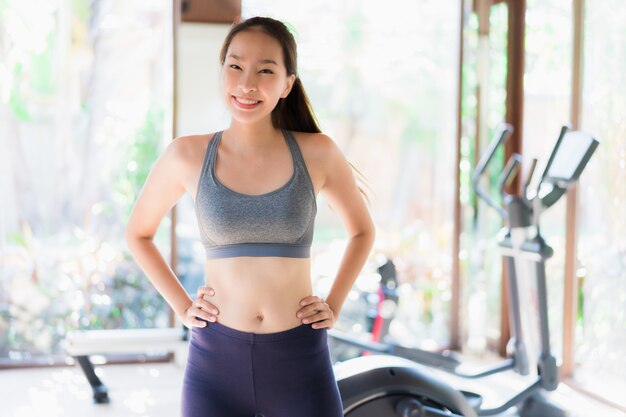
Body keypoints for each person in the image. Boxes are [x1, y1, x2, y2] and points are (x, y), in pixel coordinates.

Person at [126, 15, 375, 417]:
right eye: (235, 66)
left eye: (266, 71)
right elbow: (138, 233)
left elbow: (362, 231)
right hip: (214, 364)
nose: (247, 83)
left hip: (300, 362)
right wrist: (182, 305)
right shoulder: (187, 154)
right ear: (222, 70)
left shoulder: (319, 152)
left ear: (287, 84)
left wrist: (334, 303)